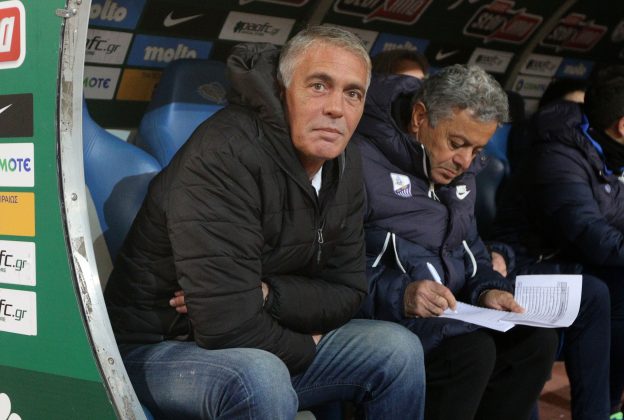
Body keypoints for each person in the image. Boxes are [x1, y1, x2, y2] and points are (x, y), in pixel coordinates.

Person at [104, 26, 425, 419]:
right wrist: (306, 343)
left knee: (398, 350)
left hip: (257, 336)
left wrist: (270, 294)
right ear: (282, 89)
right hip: (158, 347)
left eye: (352, 93)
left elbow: (347, 291)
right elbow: (226, 324)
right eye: (319, 86)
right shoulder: (226, 151)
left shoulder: (345, 161)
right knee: (260, 376)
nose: (337, 109)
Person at [353, 66, 558, 420]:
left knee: (534, 341)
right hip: (387, 312)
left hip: (450, 311)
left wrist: (488, 289)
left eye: (477, 149)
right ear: (419, 118)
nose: (465, 161)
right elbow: (329, 262)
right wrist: (401, 294)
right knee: (470, 352)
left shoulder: (461, 173)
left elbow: (471, 248)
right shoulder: (357, 159)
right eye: (457, 143)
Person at [521, 65, 624, 419]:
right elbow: (588, 233)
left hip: (575, 258)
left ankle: (608, 407)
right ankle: (602, 410)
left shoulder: (603, 151)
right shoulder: (559, 153)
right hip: (532, 261)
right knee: (604, 289)